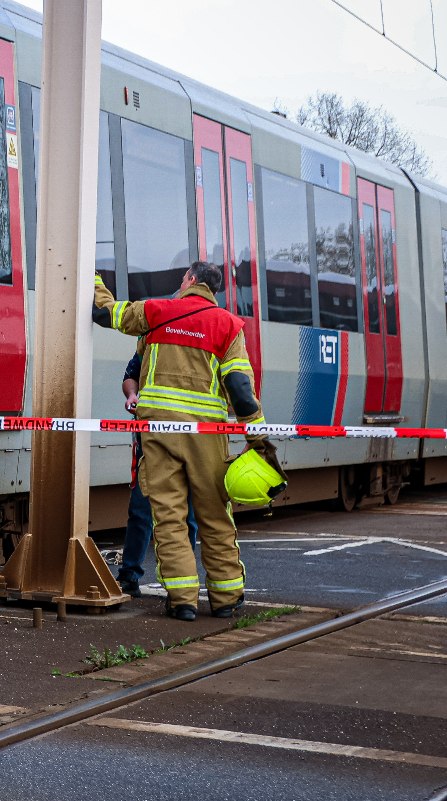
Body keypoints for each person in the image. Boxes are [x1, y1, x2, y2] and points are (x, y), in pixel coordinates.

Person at [95, 261, 267, 622]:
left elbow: (106, 313)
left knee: (169, 517)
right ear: (213, 289)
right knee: (215, 516)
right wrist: (258, 439)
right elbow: (240, 389)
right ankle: (226, 599)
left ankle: (183, 601)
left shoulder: (157, 312)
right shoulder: (228, 326)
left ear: (190, 279)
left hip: (158, 433)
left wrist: (92, 279)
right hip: (206, 436)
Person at [116, 351, 198, 598]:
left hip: (190, 437)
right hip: (151, 436)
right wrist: (132, 394)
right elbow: (131, 375)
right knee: (141, 508)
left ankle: (182, 581)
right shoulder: (151, 341)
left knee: (187, 512)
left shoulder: (193, 341)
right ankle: (130, 575)